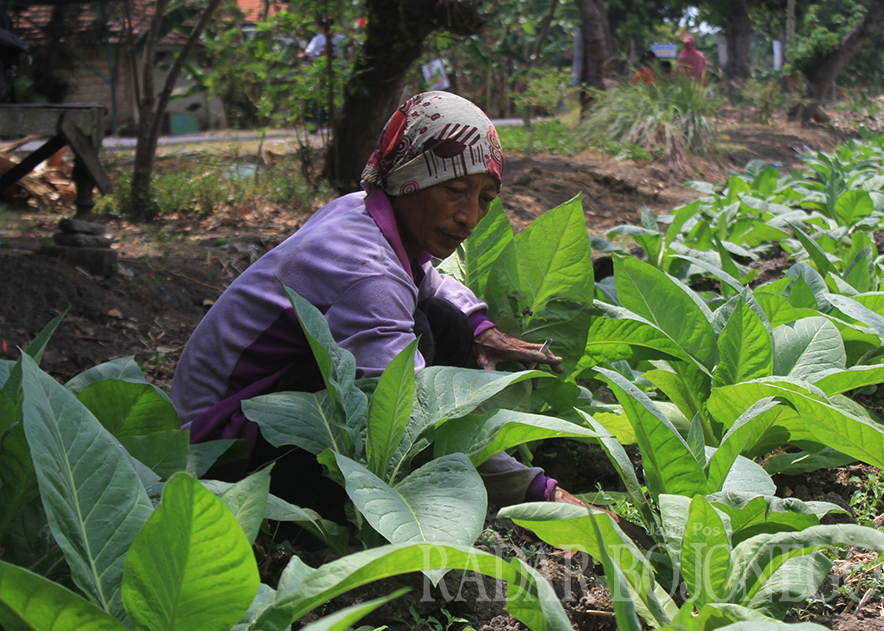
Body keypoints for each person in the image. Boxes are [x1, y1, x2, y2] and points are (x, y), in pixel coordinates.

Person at [171, 92, 586, 512]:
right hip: (215, 452)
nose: (470, 217)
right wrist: (541, 493)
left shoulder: (359, 209)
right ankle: (331, 509)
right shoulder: (365, 271)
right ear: (411, 178)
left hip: (244, 416)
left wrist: (483, 328)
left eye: (484, 197)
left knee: (446, 321)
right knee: (413, 352)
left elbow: (429, 282)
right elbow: (410, 413)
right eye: (455, 189)